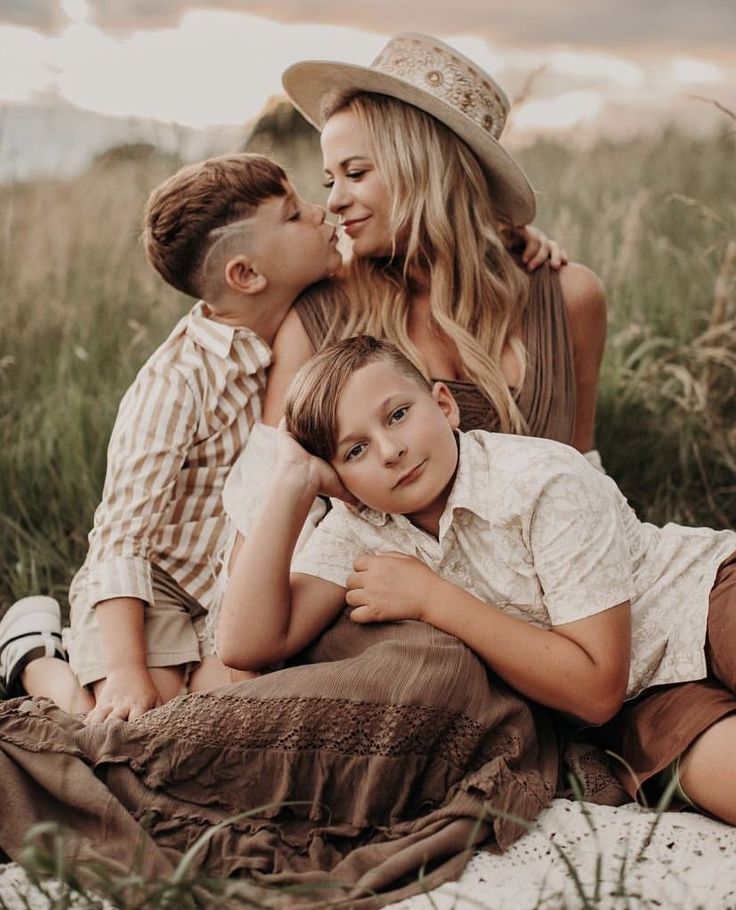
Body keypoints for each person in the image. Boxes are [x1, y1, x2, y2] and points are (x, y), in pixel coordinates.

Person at [219, 335, 736, 826]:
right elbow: (246, 643)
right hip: (641, 702)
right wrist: (293, 480)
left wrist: (433, 599)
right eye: (354, 451)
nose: (389, 450)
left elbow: (596, 679)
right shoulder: (361, 526)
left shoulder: (542, 479)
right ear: (341, 481)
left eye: (398, 415)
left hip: (703, 596)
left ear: (444, 405)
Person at [222, 32, 606, 541]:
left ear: (426, 169)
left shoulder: (569, 297)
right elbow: (262, 512)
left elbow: (586, 480)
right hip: (383, 601)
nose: (335, 201)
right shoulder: (322, 314)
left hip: (558, 593)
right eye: (329, 181)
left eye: (355, 173)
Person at [0, 152, 342, 721]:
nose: (320, 210)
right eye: (293, 214)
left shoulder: (301, 308)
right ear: (246, 275)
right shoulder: (177, 383)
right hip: (151, 590)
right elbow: (120, 536)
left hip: (222, 589)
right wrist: (129, 673)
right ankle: (34, 655)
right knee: (128, 720)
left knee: (213, 715)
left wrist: (528, 244)